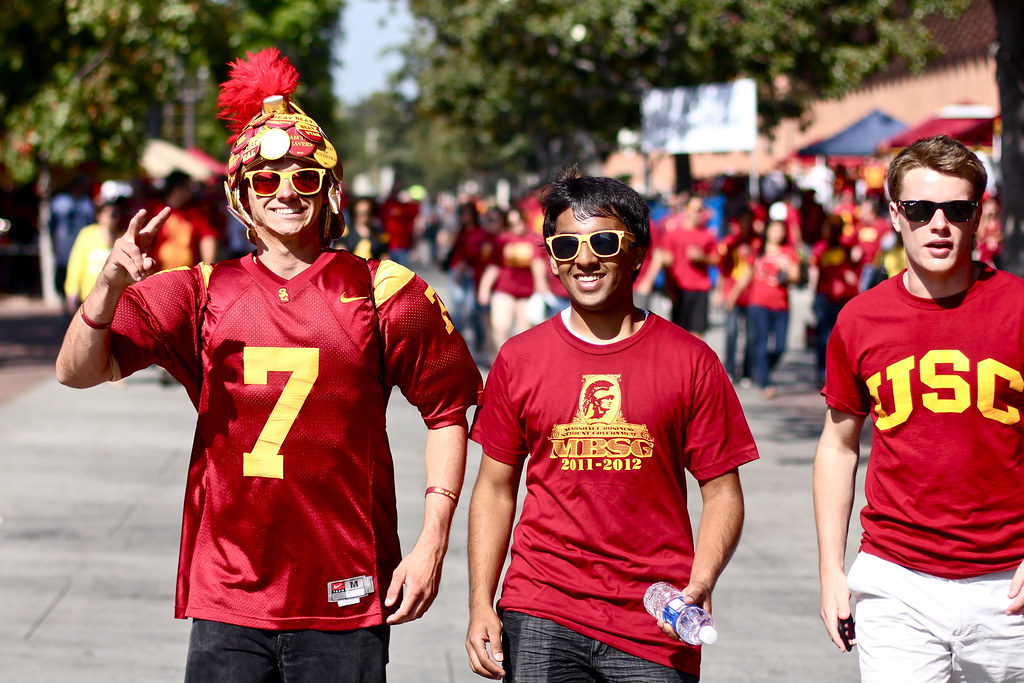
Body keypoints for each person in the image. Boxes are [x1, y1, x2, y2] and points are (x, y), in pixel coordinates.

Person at [55, 48, 481, 682]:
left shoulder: (385, 289)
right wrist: (109, 286)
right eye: (267, 178)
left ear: (330, 192)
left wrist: (432, 542)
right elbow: (76, 371)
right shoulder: (200, 290)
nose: (286, 191)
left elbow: (449, 411)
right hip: (232, 587)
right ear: (241, 196)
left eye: (305, 177)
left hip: (345, 586)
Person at [465, 168, 759, 682]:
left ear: (638, 254)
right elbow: (493, 488)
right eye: (564, 245)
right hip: (540, 610)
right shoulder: (519, 359)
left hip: (655, 620)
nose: (584, 259)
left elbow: (722, 492)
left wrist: (704, 577)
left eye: (603, 241)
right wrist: (480, 604)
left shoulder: (691, 361)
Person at [813, 135, 1024, 682]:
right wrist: (831, 570)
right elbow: (838, 447)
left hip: (1009, 583)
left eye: (957, 209)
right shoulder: (859, 320)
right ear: (895, 214)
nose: (939, 224)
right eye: (920, 208)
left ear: (978, 215)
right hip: (896, 578)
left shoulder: (1018, 309)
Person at [729, 218, 801, 399]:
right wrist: (733, 294)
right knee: (760, 343)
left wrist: (786, 273)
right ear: (767, 231)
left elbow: (796, 276)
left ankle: (760, 369)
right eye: (774, 229)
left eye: (780, 230)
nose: (777, 233)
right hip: (758, 303)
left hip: (781, 305)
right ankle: (765, 381)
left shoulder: (789, 252)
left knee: (780, 346)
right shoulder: (757, 252)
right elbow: (747, 275)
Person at [637, 195, 718, 338]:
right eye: (695, 209)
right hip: (679, 288)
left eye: (701, 210)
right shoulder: (673, 234)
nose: (698, 213)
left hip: (700, 289)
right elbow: (667, 262)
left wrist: (702, 257)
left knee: (697, 335)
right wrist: (669, 288)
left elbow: (717, 259)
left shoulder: (707, 235)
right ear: (686, 210)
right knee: (680, 335)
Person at [476, 206, 537, 357]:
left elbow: (540, 267)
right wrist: (484, 288)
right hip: (504, 290)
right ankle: (502, 360)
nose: (517, 226)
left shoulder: (534, 240)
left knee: (524, 333)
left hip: (527, 293)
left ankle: (519, 364)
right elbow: (494, 265)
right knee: (500, 327)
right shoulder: (502, 239)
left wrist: (542, 290)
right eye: (513, 223)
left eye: (519, 222)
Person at [62, 198, 125, 315]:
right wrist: (71, 291)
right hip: (89, 298)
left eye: (116, 214)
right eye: (110, 214)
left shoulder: (123, 238)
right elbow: (76, 263)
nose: (113, 218)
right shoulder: (87, 235)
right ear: (99, 216)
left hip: (115, 300)